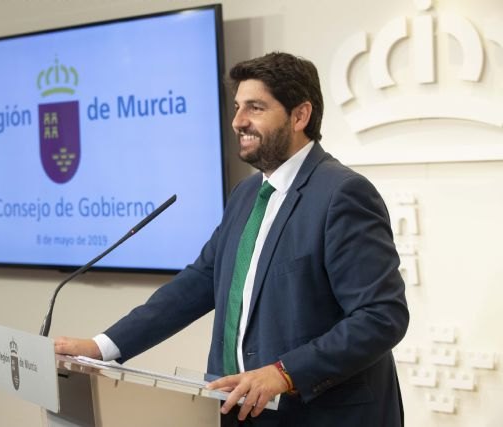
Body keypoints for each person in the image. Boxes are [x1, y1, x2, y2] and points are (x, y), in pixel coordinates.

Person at [54, 52, 409, 426]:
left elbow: (382, 316)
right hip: (238, 413)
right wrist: (102, 347)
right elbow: (198, 283)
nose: (238, 121)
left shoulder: (342, 194)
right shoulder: (246, 194)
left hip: (320, 417)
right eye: (238, 107)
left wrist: (285, 372)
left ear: (300, 115)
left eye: (255, 108)